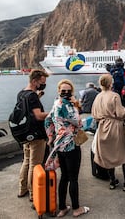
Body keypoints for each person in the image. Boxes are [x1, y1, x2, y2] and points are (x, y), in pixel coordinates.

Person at [44, 79, 89, 218]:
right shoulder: (68, 105)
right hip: (71, 145)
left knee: (64, 177)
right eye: (64, 91)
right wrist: (75, 103)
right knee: (73, 178)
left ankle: (62, 208)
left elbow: (47, 120)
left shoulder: (56, 104)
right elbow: (78, 122)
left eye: (67, 91)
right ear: (60, 91)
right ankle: (76, 209)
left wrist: (51, 136)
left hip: (59, 145)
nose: (66, 93)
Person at [92, 73, 125, 192]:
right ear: (110, 83)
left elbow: (94, 114)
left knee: (108, 154)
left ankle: (112, 181)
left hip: (103, 127)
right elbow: (121, 113)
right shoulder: (114, 95)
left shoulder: (98, 96)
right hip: (116, 127)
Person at [17, 69, 49, 202]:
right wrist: (54, 111)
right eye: (42, 82)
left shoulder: (21, 93)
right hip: (36, 134)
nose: (43, 84)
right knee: (35, 165)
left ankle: (22, 188)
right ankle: (33, 193)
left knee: (26, 161)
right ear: (35, 81)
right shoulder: (32, 96)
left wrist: (38, 96)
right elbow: (38, 116)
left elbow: (27, 110)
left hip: (26, 134)